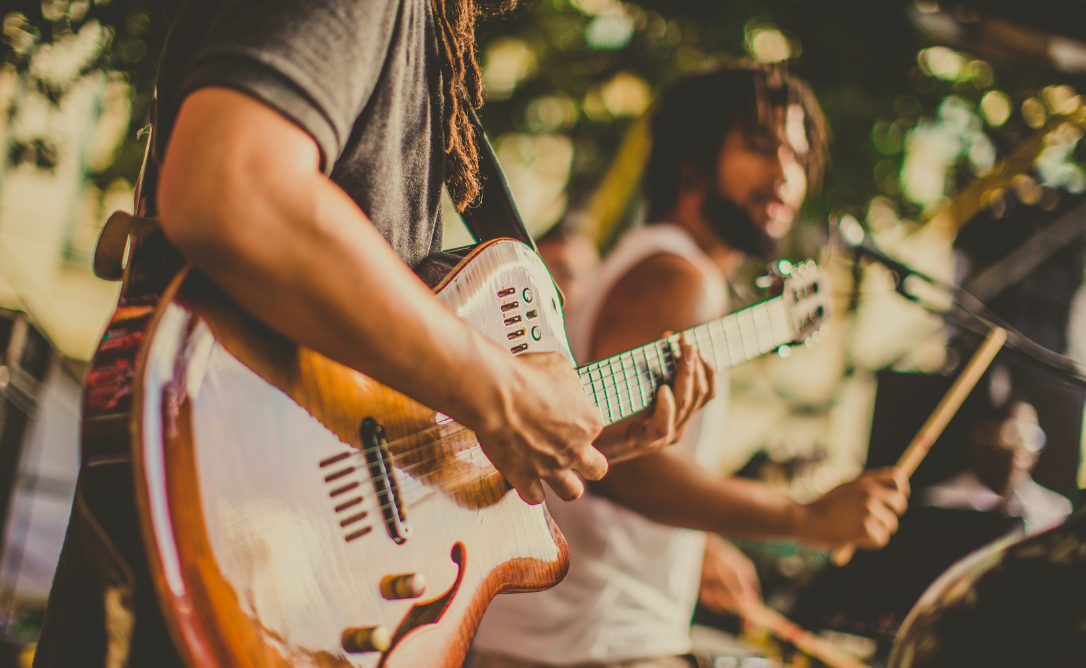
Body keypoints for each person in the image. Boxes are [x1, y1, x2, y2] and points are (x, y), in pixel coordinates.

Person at [33, 1, 714, 666]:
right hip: (233, 531)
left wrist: (535, 435)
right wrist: (501, 390)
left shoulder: (430, 31)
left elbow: (365, 381)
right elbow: (231, 186)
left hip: (290, 563)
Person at [469, 62, 911, 668]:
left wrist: (698, 540)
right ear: (693, 160)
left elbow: (621, 445)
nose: (785, 174)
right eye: (759, 148)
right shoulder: (678, 277)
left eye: (797, 156)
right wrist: (805, 518)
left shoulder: (658, 262)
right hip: (586, 641)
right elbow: (620, 469)